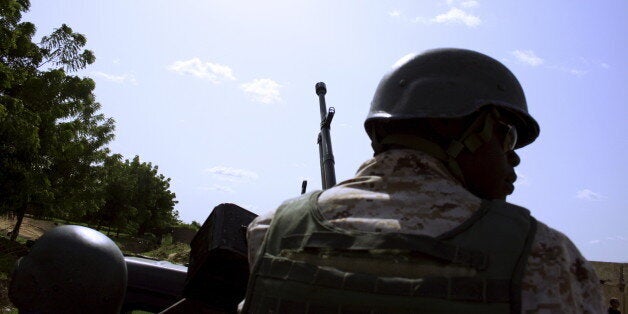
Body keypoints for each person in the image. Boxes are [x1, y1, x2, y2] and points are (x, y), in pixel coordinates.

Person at [243, 48, 604, 313]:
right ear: (454, 125)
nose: (514, 156)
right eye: (506, 136)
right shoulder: (543, 255)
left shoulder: (271, 231)